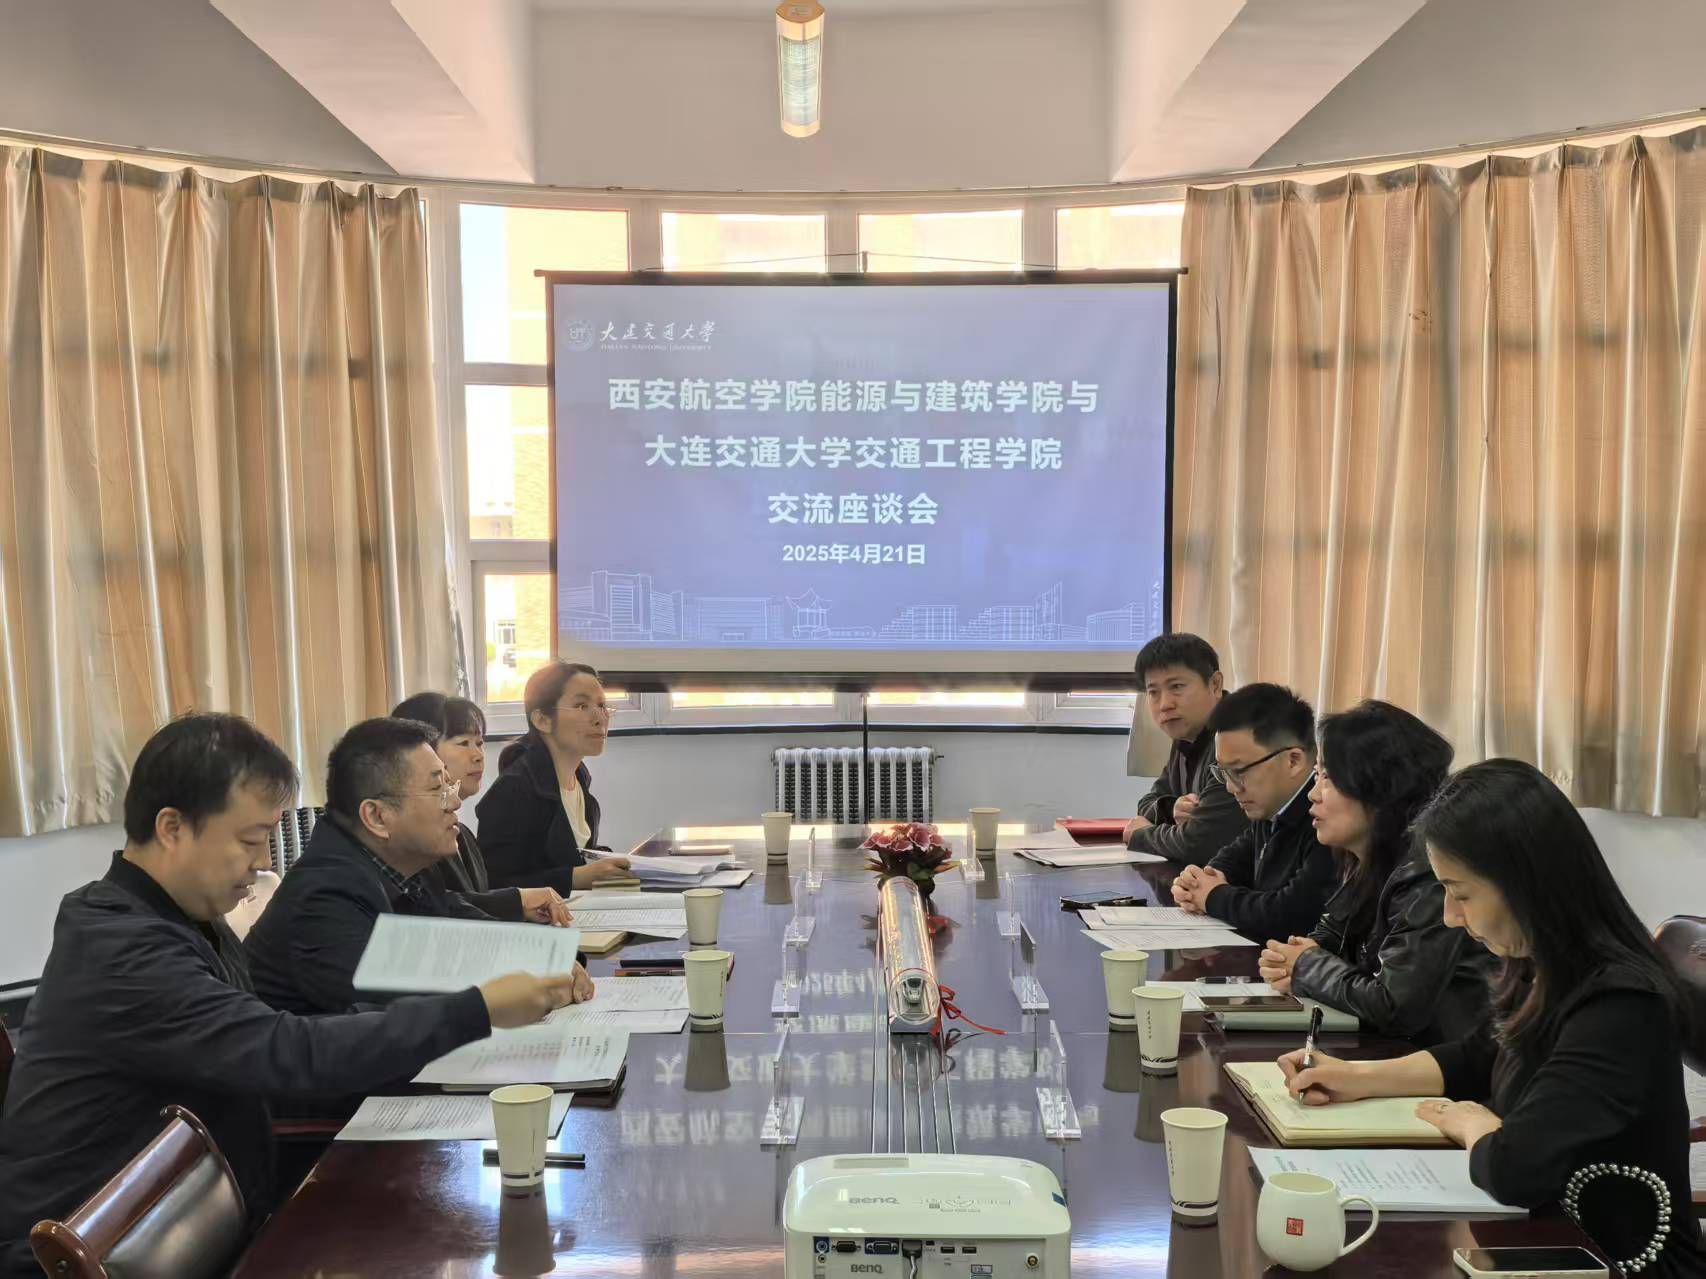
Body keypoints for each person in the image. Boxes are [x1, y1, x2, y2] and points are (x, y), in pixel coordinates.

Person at [0, 714, 584, 1276]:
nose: (263, 864)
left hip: (192, 1224)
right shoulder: (124, 951)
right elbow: (285, 1050)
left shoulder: (180, 917)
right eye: (251, 839)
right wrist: (478, 1008)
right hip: (100, 1250)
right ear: (172, 828)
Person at [1277, 760, 1706, 1276]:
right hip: (1542, 1237)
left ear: (1527, 884)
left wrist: (1473, 1123)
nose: (1449, 916)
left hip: (1615, 1260)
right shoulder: (1543, 962)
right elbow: (1481, 1054)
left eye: (1460, 894)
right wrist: (1357, 1077)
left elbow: (1513, 1169)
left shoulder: (1621, 1006)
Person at [245, 717, 587, 1016]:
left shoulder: (402, 865)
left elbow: (454, 922)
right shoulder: (322, 898)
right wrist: (522, 986)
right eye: (438, 788)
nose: (455, 801)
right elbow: (395, 1014)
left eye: (450, 784)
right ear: (377, 816)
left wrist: (539, 956)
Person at [1256, 700, 1494, 1044]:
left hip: (1438, 1059)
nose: (1313, 794)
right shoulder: (1366, 856)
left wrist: (1305, 965)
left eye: (1328, 778)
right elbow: (1329, 937)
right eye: (1317, 776)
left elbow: (1395, 1006)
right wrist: (1290, 959)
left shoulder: (1429, 871)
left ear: (1379, 787)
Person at [1170, 683, 1337, 942]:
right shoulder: (1271, 807)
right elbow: (1238, 855)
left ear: (1293, 760)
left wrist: (1212, 896)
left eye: (1239, 771)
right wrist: (1203, 879)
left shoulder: (1328, 820)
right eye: (1223, 772)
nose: (1230, 786)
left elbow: (1290, 915)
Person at [477, 661, 632, 894]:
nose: (600, 718)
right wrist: (575, 878)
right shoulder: (513, 789)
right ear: (542, 720)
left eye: (602, 705)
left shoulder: (579, 778)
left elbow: (567, 856)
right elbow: (493, 885)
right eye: (581, 706)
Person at [1120, 633, 1249, 864]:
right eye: (1153, 692)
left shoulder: (1235, 737)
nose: (1165, 705)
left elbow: (1200, 843)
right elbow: (1147, 803)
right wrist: (1171, 808)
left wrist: (1140, 835)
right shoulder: (1186, 735)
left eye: (1177, 686)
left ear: (1215, 684)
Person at [390, 691, 505, 907]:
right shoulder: (413, 842)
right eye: (463, 743)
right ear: (423, 749)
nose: (478, 755)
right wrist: (516, 901)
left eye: (479, 742)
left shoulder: (464, 835)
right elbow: (433, 908)